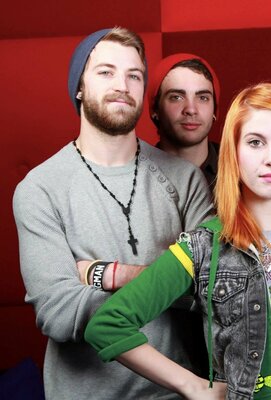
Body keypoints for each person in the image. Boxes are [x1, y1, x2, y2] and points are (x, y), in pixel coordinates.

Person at [84, 82, 271, 400]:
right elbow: (108, 325)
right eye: (255, 142)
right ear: (234, 152)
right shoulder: (203, 248)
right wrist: (192, 385)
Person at [12, 27, 213, 399]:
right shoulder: (39, 188)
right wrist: (166, 281)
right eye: (106, 72)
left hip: (177, 394)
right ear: (79, 87)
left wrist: (107, 274)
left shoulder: (184, 180)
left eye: (134, 75)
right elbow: (59, 311)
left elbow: (211, 288)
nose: (122, 85)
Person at [148, 53, 221, 188]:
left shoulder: (241, 170)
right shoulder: (135, 176)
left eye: (203, 98)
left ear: (214, 111)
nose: (191, 109)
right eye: (176, 97)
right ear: (155, 110)